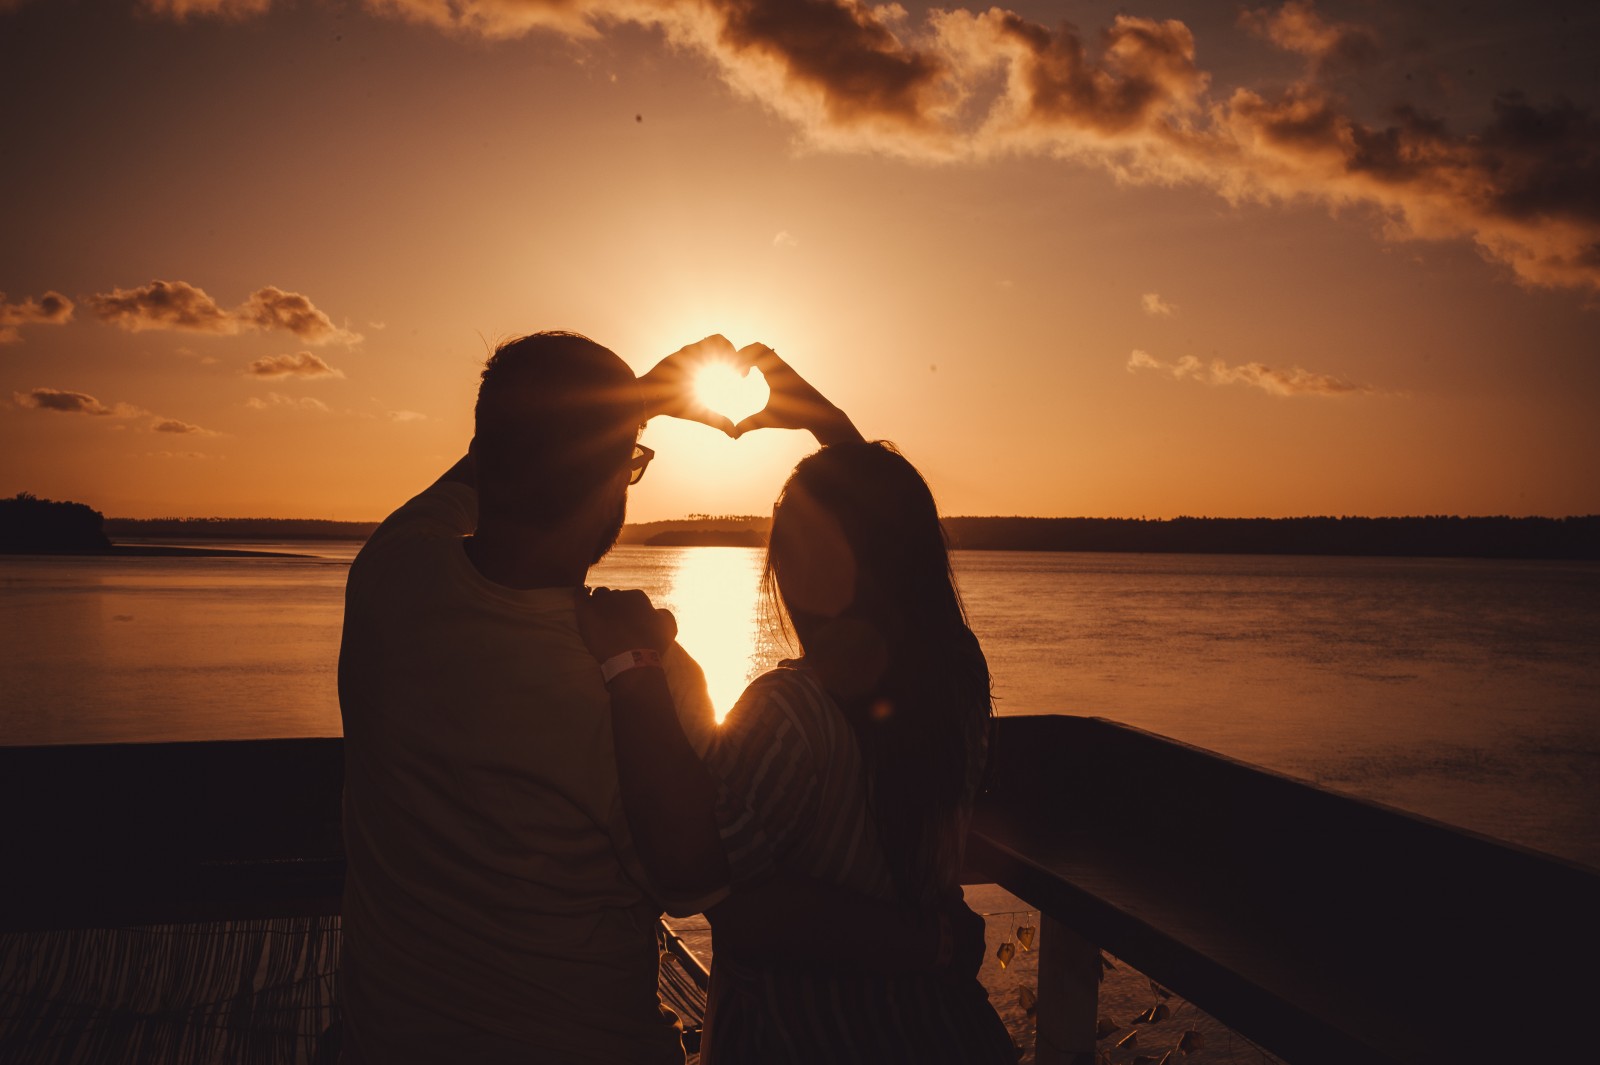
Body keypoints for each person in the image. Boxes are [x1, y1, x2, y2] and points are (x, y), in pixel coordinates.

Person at [338, 331, 981, 1065]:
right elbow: (701, 879)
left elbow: (493, 458)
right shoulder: (645, 678)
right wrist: (827, 427)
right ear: (617, 479)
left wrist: (629, 404)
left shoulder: (390, 575)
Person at [580, 346, 1017, 1063]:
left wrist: (636, 664)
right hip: (946, 1032)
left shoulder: (788, 715)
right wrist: (828, 423)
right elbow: (895, 530)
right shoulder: (956, 676)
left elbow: (718, 893)